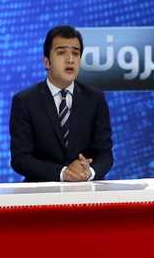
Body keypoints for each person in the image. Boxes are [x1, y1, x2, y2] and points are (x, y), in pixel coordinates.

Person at [9, 25, 114, 182]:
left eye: (75, 53)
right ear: (47, 62)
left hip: (87, 192)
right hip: (41, 194)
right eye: (61, 53)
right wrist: (63, 173)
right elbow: (20, 159)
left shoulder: (95, 99)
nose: (70, 59)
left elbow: (105, 154)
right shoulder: (24, 101)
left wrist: (89, 172)